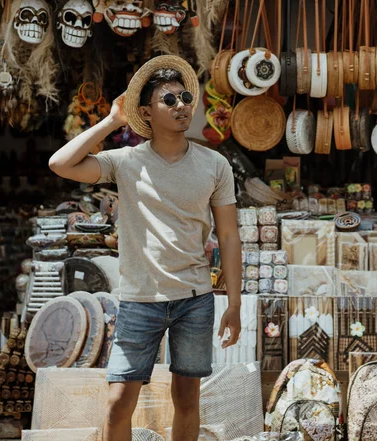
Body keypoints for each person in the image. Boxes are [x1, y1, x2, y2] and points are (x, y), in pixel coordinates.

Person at [48, 56, 242, 441]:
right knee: (118, 401)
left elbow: (229, 236)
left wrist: (234, 304)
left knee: (187, 399)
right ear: (146, 112)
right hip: (139, 300)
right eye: (169, 100)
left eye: (185, 97)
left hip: (195, 300)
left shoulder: (215, 164)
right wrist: (112, 120)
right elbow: (60, 163)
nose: (182, 106)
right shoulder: (125, 162)